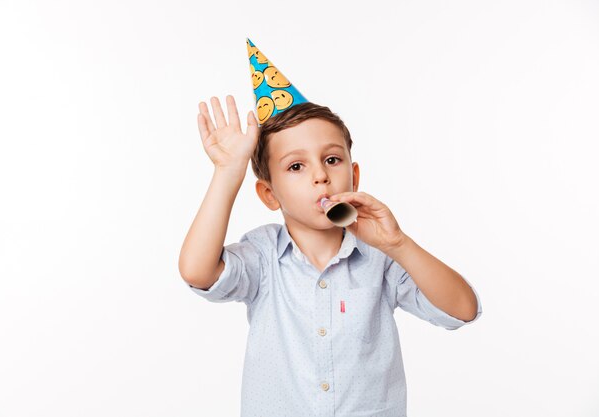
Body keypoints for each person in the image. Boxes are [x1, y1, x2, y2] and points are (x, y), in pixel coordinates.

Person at [178, 39, 482, 417]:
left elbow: (463, 308)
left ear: (353, 175)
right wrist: (228, 171)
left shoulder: (380, 256)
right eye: (296, 166)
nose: (321, 176)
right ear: (269, 195)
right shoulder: (263, 255)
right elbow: (196, 271)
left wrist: (398, 244)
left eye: (332, 160)